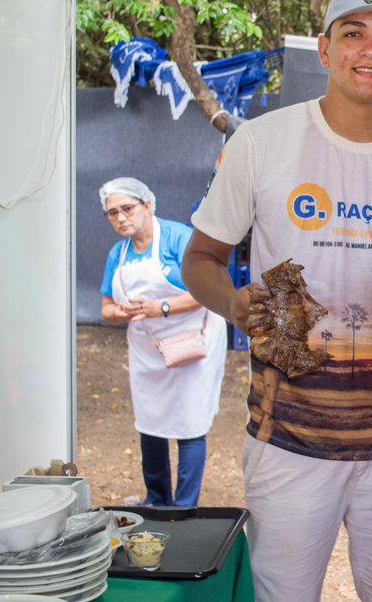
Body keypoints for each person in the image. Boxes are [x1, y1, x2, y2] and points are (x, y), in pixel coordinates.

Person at [180, 0, 372, 602]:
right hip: (288, 439)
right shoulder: (261, 143)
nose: (370, 50)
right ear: (325, 50)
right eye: (352, 33)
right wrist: (231, 303)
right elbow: (200, 259)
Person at [98, 177, 226, 507]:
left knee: (189, 421)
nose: (120, 218)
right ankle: (156, 498)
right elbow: (105, 309)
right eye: (112, 213)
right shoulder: (118, 253)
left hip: (193, 342)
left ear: (147, 205)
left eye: (126, 208)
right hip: (148, 349)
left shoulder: (179, 238)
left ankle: (183, 506)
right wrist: (121, 312)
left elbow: (208, 290)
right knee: (150, 422)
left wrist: (162, 307)